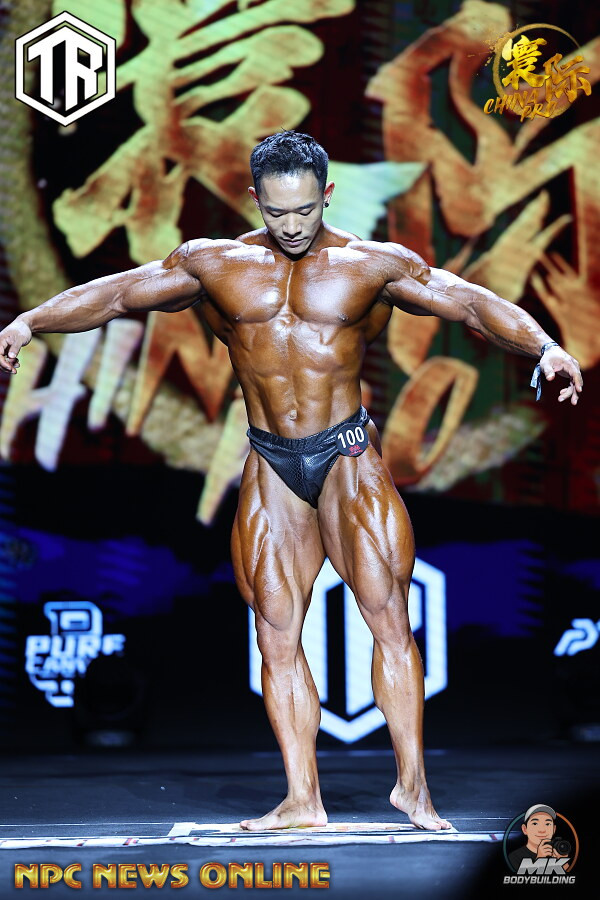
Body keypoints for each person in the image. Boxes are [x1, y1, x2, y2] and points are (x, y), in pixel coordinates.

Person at [0, 132, 582, 832]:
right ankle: (303, 800)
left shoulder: (370, 265)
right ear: (255, 200)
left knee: (388, 619)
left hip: (346, 455)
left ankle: (414, 790)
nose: (293, 225)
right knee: (275, 633)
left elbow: (469, 303)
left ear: (327, 195)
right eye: (278, 212)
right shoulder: (216, 265)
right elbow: (121, 294)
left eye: (305, 209)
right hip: (271, 458)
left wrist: (544, 346)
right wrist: (32, 320)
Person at [508, 805, 569, 871]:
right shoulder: (514, 857)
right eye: (535, 823)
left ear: (554, 829)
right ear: (525, 829)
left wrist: (562, 862)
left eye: (547, 824)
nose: (542, 830)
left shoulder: (558, 852)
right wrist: (539, 859)